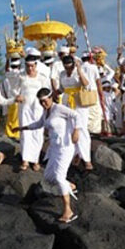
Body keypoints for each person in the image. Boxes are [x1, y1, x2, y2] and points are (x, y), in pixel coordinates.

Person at [18, 89, 80, 223]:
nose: (43, 103)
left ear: (51, 98)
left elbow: (76, 115)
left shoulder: (59, 108)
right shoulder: (46, 112)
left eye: (45, 100)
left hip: (65, 147)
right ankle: (70, 186)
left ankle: (68, 211)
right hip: (54, 149)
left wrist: (76, 131)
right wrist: (24, 128)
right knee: (48, 178)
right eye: (40, 102)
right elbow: (40, 123)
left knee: (59, 177)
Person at [57, 54, 94, 171]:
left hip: (79, 102)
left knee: (81, 129)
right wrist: (54, 94)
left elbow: (86, 84)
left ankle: (86, 158)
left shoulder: (79, 72)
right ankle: (74, 154)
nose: (68, 69)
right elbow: (61, 88)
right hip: (67, 101)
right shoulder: (62, 74)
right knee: (69, 129)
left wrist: (79, 70)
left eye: (70, 67)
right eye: (66, 67)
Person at [16, 54, 50, 171]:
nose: (30, 69)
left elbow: (47, 92)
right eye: (27, 66)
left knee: (37, 133)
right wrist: (18, 96)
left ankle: (35, 160)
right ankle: (25, 159)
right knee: (25, 132)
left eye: (32, 66)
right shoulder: (21, 76)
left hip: (38, 107)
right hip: (25, 107)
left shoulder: (42, 77)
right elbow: (14, 90)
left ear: (36, 65)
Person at [1, 56, 23, 140]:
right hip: (17, 100)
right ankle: (15, 135)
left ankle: (9, 134)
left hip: (10, 100)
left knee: (10, 119)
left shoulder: (8, 74)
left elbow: (6, 69)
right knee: (16, 120)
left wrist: (8, 58)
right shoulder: (19, 74)